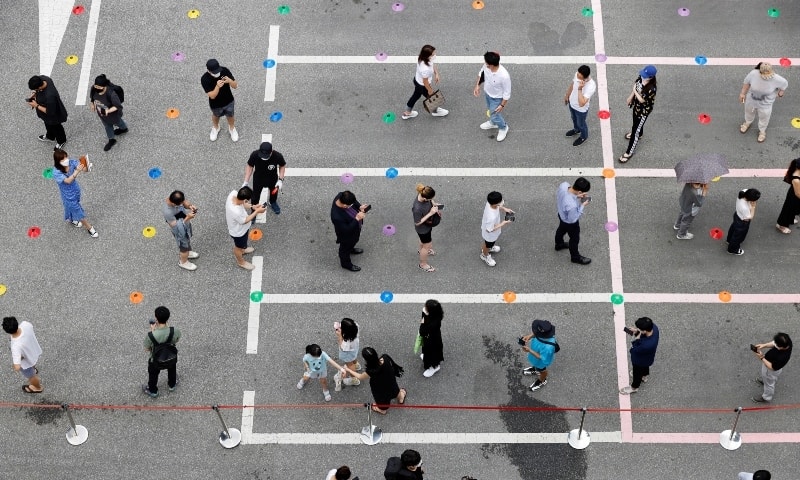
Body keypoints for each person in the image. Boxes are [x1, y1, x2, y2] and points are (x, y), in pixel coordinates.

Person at [344, 347, 406, 415]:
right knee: (395, 390)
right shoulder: (385, 358)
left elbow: (360, 377)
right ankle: (401, 398)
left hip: (380, 387)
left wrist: (348, 369)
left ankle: (382, 410)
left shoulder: (370, 371)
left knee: (382, 399)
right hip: (390, 381)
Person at [52, 149, 98, 238]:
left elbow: (83, 168)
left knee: (71, 206)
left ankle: (71, 219)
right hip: (67, 195)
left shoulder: (71, 162)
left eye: (66, 157)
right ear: (58, 161)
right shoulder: (56, 172)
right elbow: (68, 181)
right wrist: (76, 171)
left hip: (75, 189)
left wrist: (87, 166)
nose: (66, 160)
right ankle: (90, 228)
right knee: (77, 210)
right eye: (63, 159)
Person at [739, 62, 788, 143]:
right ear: (760, 71)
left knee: (764, 118)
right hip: (751, 100)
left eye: (767, 73)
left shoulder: (777, 79)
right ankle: (747, 122)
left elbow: (784, 85)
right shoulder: (754, 73)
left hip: (766, 104)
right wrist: (742, 93)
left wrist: (780, 94)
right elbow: (746, 83)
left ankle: (762, 131)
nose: (766, 76)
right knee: (748, 112)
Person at [619, 65, 657, 163]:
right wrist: (630, 97)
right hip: (636, 107)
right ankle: (639, 133)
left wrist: (635, 91)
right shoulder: (641, 78)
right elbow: (636, 85)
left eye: (645, 75)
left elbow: (642, 100)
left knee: (635, 129)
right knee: (635, 124)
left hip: (643, 111)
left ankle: (629, 152)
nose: (642, 76)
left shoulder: (651, 89)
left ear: (651, 77)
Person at [401, 44, 449, 120]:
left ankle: (407, 112)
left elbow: (432, 65)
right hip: (422, 85)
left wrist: (436, 73)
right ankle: (435, 111)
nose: (435, 55)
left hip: (417, 80)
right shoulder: (425, 69)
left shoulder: (422, 58)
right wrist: (430, 90)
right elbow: (425, 81)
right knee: (432, 97)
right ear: (428, 56)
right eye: (433, 54)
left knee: (416, 96)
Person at [142, 306, 180, 398]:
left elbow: (147, 349)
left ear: (156, 319)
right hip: (170, 355)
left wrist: (152, 330)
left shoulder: (151, 335)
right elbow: (176, 340)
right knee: (172, 369)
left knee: (153, 375)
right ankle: (172, 385)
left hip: (155, 359)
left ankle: (153, 391)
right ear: (168, 318)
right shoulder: (174, 331)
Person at [473, 51, 511, 142]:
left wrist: (502, 105)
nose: (485, 64)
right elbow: (481, 73)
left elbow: (507, 93)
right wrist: (477, 85)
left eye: (486, 63)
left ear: (492, 65)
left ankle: (503, 127)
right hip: (488, 93)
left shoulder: (504, 76)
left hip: (497, 98)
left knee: (494, 115)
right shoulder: (487, 66)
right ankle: (493, 123)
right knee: (491, 110)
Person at [225, 186, 266, 271]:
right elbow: (245, 220)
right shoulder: (236, 211)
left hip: (241, 229)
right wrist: (257, 211)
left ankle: (243, 249)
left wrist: (253, 207)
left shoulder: (233, 193)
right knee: (238, 247)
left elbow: (243, 203)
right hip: (238, 233)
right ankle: (241, 262)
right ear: (245, 199)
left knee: (242, 245)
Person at [330, 191, 370, 272]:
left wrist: (360, 207)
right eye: (350, 205)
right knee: (344, 250)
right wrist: (357, 219)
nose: (352, 205)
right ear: (345, 205)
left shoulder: (341, 195)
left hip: (355, 230)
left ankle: (351, 249)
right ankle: (345, 264)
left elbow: (354, 201)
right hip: (346, 236)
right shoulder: (336, 216)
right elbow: (346, 230)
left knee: (353, 241)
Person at [555, 177, 591, 265]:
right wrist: (582, 205)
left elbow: (565, 195)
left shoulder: (564, 185)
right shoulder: (572, 206)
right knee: (574, 239)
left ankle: (559, 244)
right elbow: (573, 219)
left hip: (561, 214)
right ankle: (575, 257)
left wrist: (576, 196)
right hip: (570, 223)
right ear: (579, 192)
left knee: (561, 229)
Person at [619, 317, 660, 394]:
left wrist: (637, 338)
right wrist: (637, 331)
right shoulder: (654, 328)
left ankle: (634, 387)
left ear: (644, 330)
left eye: (639, 329)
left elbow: (633, 350)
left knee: (637, 373)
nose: (637, 329)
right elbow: (643, 334)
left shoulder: (645, 345)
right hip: (648, 358)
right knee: (645, 366)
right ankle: (644, 376)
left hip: (639, 361)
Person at [2, 317, 43, 394]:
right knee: (32, 365)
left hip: (26, 362)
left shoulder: (16, 346)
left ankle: (37, 387)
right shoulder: (25, 324)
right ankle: (34, 369)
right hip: (33, 351)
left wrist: (15, 365)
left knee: (31, 376)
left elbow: (17, 367)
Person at [244, 142, 286, 215]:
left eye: (266, 155)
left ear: (271, 152)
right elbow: (250, 166)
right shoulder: (255, 154)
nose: (263, 157)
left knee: (274, 193)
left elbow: (282, 165)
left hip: (272, 178)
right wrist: (246, 182)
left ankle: (272, 202)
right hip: (258, 179)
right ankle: (254, 210)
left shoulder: (277, 156)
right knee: (255, 196)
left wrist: (280, 179)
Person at [201, 58, 238, 142]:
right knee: (216, 115)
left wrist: (229, 81)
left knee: (230, 115)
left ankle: (232, 128)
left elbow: (235, 86)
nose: (217, 73)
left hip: (229, 100)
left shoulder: (224, 71)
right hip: (215, 104)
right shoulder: (204, 79)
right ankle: (216, 127)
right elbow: (212, 96)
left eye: (218, 71)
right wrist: (217, 87)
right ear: (209, 71)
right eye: (215, 72)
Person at [27, 75, 68, 149]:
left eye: (36, 89)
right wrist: (35, 93)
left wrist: (36, 105)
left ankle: (61, 141)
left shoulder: (50, 97)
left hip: (54, 116)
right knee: (48, 125)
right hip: (46, 116)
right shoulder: (45, 79)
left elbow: (50, 112)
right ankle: (50, 136)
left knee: (56, 128)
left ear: (39, 87)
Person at [89, 74, 128, 151]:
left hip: (113, 115)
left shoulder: (111, 94)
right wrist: (92, 104)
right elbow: (92, 98)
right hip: (102, 114)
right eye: (96, 86)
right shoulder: (94, 88)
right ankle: (111, 139)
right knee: (107, 126)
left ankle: (124, 129)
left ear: (104, 86)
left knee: (119, 122)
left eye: (99, 87)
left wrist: (108, 110)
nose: (97, 88)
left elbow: (118, 106)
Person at [163, 190, 199, 270]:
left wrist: (190, 206)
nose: (182, 204)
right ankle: (183, 262)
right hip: (180, 231)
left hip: (184, 225)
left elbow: (184, 202)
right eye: (180, 204)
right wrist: (187, 218)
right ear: (173, 204)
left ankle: (188, 253)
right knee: (183, 247)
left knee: (187, 240)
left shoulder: (175, 197)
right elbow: (175, 226)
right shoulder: (167, 212)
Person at [752, 332, 792, 403]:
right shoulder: (787, 343)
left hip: (770, 370)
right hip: (772, 366)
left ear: (782, 347)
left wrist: (761, 357)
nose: (774, 344)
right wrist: (764, 345)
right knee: (768, 379)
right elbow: (774, 343)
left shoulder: (783, 358)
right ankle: (766, 381)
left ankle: (766, 397)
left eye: (777, 345)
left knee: (769, 384)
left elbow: (772, 367)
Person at [520, 319, 558, 391]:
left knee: (542, 370)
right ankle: (535, 369)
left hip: (541, 361)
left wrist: (529, 350)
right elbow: (536, 333)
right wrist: (529, 336)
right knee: (536, 365)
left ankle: (542, 380)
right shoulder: (544, 333)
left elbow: (542, 357)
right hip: (535, 355)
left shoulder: (548, 347)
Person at [564, 65, 597, 147]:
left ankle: (583, 136)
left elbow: (582, 103)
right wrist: (567, 95)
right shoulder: (577, 75)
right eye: (577, 73)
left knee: (581, 124)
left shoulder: (591, 86)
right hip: (572, 104)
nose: (577, 76)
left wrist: (580, 89)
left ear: (585, 78)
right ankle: (576, 130)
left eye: (579, 76)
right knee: (574, 119)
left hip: (581, 110)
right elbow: (573, 84)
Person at [480, 191, 514, 267]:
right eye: (500, 201)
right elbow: (490, 229)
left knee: (488, 244)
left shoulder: (489, 203)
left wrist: (504, 209)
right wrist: (503, 223)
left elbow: (497, 206)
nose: (502, 201)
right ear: (495, 203)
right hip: (490, 235)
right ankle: (484, 255)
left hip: (489, 230)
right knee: (488, 245)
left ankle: (489, 248)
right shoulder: (491, 217)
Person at [412, 184, 441, 272]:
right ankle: (423, 264)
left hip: (427, 227)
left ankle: (421, 250)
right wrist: (431, 213)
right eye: (429, 199)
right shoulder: (417, 208)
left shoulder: (423, 192)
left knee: (423, 242)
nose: (430, 200)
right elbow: (417, 223)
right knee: (427, 246)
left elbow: (430, 199)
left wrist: (434, 204)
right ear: (425, 199)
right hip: (423, 229)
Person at [726, 188, 760, 256]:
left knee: (733, 228)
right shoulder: (744, 207)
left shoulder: (743, 192)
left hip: (737, 215)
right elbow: (750, 217)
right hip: (742, 221)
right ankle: (732, 249)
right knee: (738, 236)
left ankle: (729, 240)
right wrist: (753, 207)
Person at [333, 318, 361, 391]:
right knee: (354, 357)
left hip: (348, 352)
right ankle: (357, 364)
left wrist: (339, 336)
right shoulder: (355, 327)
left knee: (350, 364)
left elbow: (342, 347)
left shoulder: (347, 341)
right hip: (354, 349)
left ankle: (354, 379)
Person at [419, 299, 444, 378]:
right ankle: (429, 360)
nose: (424, 308)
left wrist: (424, 317)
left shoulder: (433, 323)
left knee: (432, 353)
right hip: (432, 337)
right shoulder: (437, 315)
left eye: (426, 307)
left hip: (431, 340)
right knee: (428, 351)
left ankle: (435, 367)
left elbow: (422, 330)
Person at [775, 158, 800, 234]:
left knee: (793, 210)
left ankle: (790, 219)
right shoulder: (796, 179)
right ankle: (781, 225)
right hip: (794, 197)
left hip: (796, 194)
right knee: (788, 210)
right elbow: (798, 194)